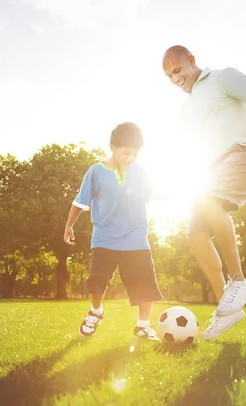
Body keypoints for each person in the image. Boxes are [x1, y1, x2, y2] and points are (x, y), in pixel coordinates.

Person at [162, 45, 246, 340]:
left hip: (243, 154)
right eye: (169, 75)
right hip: (214, 171)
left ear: (191, 61)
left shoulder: (224, 78)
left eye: (177, 70)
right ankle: (227, 308)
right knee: (195, 236)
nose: (175, 78)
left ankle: (238, 281)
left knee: (213, 203)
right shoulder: (186, 108)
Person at [64, 122, 163, 340]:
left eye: (135, 154)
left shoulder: (141, 172)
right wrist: (69, 225)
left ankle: (143, 326)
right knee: (97, 279)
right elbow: (81, 202)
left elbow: (154, 196)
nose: (130, 158)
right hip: (104, 236)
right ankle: (96, 312)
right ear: (112, 147)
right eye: (126, 152)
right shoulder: (96, 171)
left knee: (144, 283)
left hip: (136, 237)